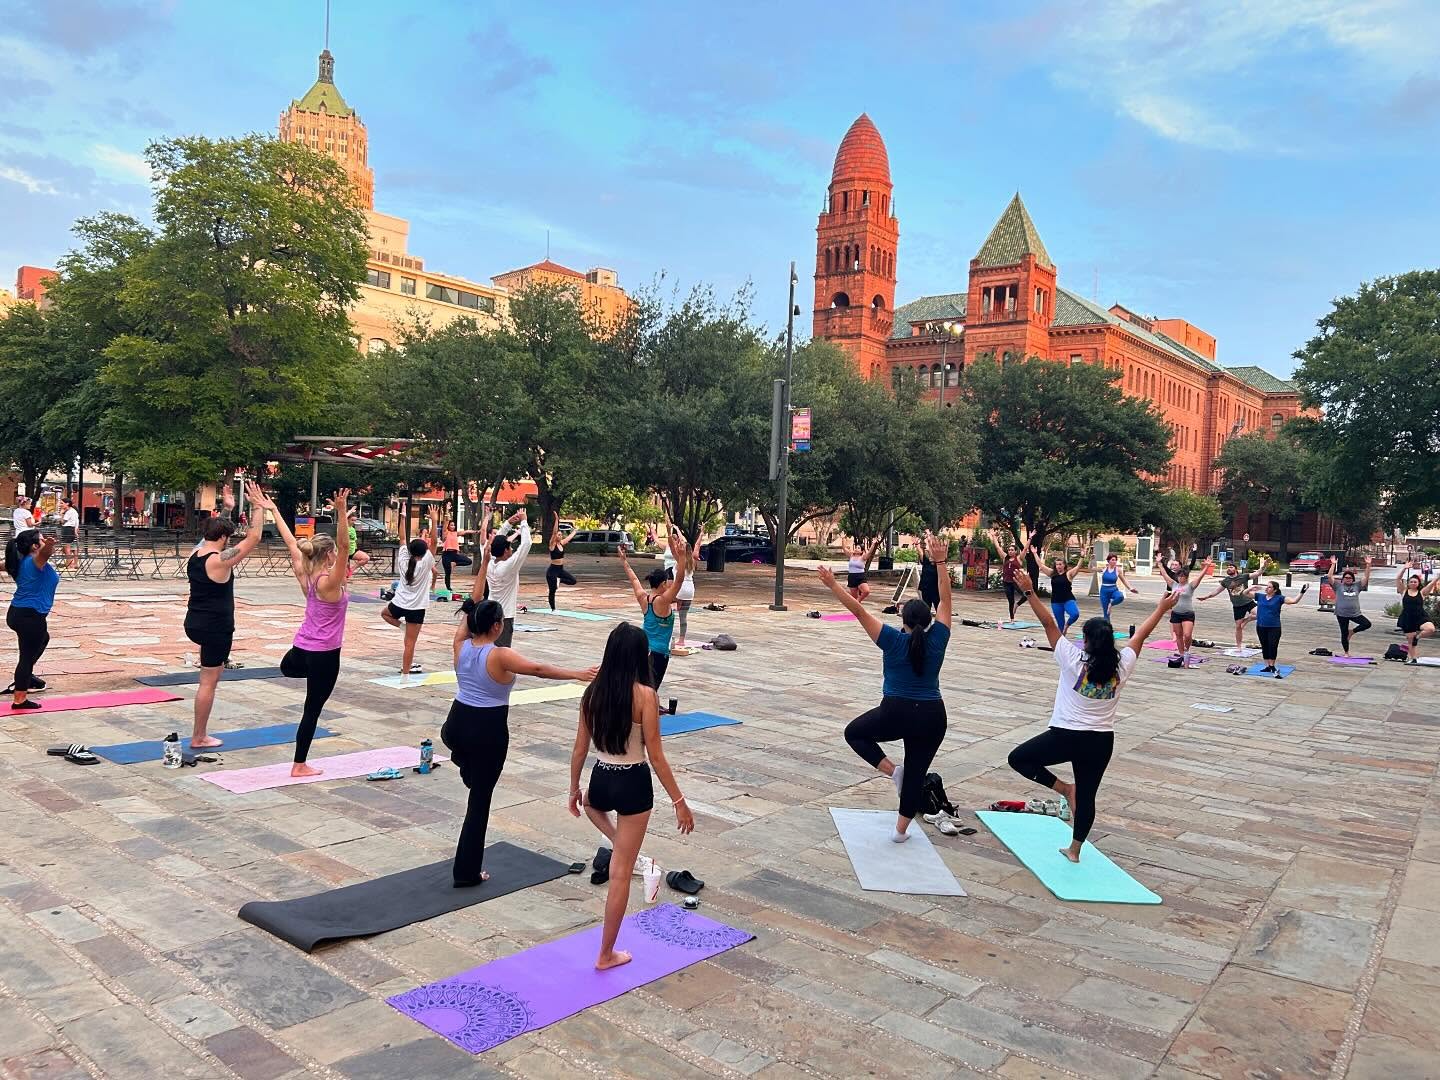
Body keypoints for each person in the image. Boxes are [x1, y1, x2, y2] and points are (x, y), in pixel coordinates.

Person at [445, 543, 595, 886]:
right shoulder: (500, 655)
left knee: (467, 764)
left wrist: (483, 562)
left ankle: (466, 766)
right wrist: (577, 673)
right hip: (487, 731)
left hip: (455, 725)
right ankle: (466, 873)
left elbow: (471, 604)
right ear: (497, 626)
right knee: (479, 802)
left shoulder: (461, 644)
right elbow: (539, 669)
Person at [1007, 566, 1177, 862]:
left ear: (1085, 641)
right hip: (1100, 741)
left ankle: (1063, 789)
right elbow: (1144, 634)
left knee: (1018, 758)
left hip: (1066, 736)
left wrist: (1029, 592)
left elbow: (1048, 622)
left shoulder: (1072, 658)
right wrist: (1161, 608)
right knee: (1087, 795)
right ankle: (1074, 850)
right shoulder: (1122, 663)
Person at [568, 621, 694, 970]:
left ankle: (619, 841)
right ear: (640, 657)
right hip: (634, 781)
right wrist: (679, 802)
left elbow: (579, 749)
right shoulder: (645, 695)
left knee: (592, 803)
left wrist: (573, 788)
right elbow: (656, 754)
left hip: (602, 776)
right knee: (620, 873)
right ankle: (606, 954)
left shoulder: (592, 693)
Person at [818, 533, 953, 842]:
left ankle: (894, 772)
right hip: (933, 716)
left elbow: (859, 610)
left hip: (896, 711)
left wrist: (832, 584)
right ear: (929, 620)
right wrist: (941, 562)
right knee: (917, 772)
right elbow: (946, 599)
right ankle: (900, 832)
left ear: (901, 618)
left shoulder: (892, 639)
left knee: (854, 733)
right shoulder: (939, 638)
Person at [271, 488, 353, 777]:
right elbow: (345, 548)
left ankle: (300, 763)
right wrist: (341, 512)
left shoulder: (305, 572)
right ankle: (299, 765)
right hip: (325, 655)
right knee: (312, 710)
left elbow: (291, 541)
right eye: (334, 553)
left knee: (288, 669)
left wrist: (272, 509)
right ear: (328, 555)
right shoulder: (329, 582)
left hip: (300, 650)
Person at [185, 481, 271, 749]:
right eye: (228, 537)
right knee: (208, 682)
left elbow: (216, 530)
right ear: (223, 538)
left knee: (209, 672)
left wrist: (228, 509)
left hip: (194, 622)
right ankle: (199, 736)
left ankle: (200, 733)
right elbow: (254, 538)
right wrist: (259, 506)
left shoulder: (196, 554)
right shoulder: (219, 560)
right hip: (215, 627)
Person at [618, 529, 687, 693]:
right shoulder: (663, 601)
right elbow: (679, 580)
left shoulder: (644, 599)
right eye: (667, 583)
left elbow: (634, 579)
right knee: (650, 690)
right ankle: (643, 713)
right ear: (663, 583)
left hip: (642, 650)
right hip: (657, 654)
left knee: (640, 686)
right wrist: (683, 556)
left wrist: (624, 561)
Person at [5, 529, 58, 708]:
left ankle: (27, 676)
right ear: (34, 546)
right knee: (26, 658)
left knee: (44, 638)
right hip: (30, 616)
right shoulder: (35, 561)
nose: (44, 541)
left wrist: (46, 544)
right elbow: (45, 553)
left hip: (18, 613)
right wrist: (49, 544)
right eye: (41, 539)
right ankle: (19, 699)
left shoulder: (18, 562)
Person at [382, 536, 437, 675]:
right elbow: (435, 542)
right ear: (425, 552)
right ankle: (405, 673)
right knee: (410, 643)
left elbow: (402, 539)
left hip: (400, 603)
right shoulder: (425, 564)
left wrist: (403, 516)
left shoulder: (403, 561)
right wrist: (434, 521)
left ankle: (402, 627)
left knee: (384, 613)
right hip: (417, 608)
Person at [485, 510, 532, 648]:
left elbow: (496, 542)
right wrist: (523, 521)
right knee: (502, 652)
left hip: (489, 613)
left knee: (489, 649)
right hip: (504, 616)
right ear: (506, 551)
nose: (511, 550)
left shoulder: (489, 563)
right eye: (510, 547)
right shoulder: (508, 567)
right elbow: (526, 544)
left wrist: (508, 523)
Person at [1199, 556, 1267, 649]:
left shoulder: (1243, 576)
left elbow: (1258, 573)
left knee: (1261, 614)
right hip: (1237, 606)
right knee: (1238, 627)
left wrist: (1264, 566)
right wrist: (1205, 597)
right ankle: (1238, 646)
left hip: (1248, 602)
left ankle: (1247, 620)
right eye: (1228, 567)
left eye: (1231, 567)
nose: (1229, 568)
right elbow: (1216, 591)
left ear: (1236, 569)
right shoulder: (1225, 581)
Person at [1158, 555, 1213, 666]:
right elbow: (1164, 574)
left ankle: (1187, 650)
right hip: (1176, 613)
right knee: (1178, 635)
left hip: (1188, 613)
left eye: (1182, 576)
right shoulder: (1173, 584)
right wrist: (1159, 563)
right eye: (1179, 576)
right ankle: (1182, 654)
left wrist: (1206, 566)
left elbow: (1200, 577)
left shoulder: (1190, 586)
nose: (1180, 578)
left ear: (1186, 577)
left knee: (1187, 635)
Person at [1248, 579, 1309, 674]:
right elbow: (1244, 593)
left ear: (1275, 590)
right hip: (1261, 626)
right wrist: (1251, 588)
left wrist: (1302, 592)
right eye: (1267, 586)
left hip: (1274, 627)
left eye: (1269, 587)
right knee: (1264, 646)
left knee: (1272, 645)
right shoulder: (1260, 596)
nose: (1267, 588)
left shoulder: (1279, 598)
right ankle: (1267, 665)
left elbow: (1294, 601)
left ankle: (1272, 665)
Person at [1035, 544, 1086, 635]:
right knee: (1060, 625)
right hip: (1056, 602)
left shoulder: (1069, 574)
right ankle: (1061, 643)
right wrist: (1035, 553)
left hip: (1068, 599)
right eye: (1057, 564)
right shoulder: (1052, 574)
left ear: (1064, 565)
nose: (1058, 566)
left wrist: (1082, 556)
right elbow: (1041, 566)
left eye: (1060, 564)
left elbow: (1078, 567)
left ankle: (1067, 625)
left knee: (1075, 614)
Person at [1396, 561, 1440, 664]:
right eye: (1411, 581)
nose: (1413, 583)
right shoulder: (1404, 591)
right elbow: (1398, 579)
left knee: (1431, 629)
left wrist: (1438, 577)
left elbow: (1432, 584)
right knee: (1410, 641)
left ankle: (1418, 637)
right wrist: (1404, 568)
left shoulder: (1421, 592)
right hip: (1407, 617)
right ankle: (1413, 658)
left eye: (1415, 582)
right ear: (1408, 583)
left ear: (1418, 583)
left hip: (1420, 616)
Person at [1333, 558, 1374, 657]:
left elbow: (1366, 577)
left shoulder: (1357, 586)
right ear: (1343, 579)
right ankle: (1346, 652)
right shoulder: (1338, 586)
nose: (1348, 579)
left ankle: (1352, 631)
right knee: (1344, 633)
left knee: (1367, 624)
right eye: (1346, 577)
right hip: (1341, 614)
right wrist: (1333, 564)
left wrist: (1368, 565)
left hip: (1355, 613)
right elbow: (1330, 577)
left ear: (1353, 579)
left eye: (1350, 578)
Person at [545, 521, 577, 611]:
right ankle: (553, 609)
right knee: (552, 590)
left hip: (560, 570)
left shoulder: (561, 543)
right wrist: (556, 519)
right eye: (558, 535)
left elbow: (569, 537)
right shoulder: (552, 545)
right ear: (555, 536)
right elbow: (554, 532)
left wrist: (575, 531)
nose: (560, 536)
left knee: (573, 581)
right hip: (552, 571)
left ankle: (560, 580)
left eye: (561, 535)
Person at [1097, 553, 1138, 621]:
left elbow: (1124, 580)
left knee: (1120, 596)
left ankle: (1110, 604)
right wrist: (1091, 560)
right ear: (1108, 561)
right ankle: (1107, 629)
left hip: (1113, 590)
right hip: (1104, 591)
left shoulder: (1118, 570)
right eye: (1113, 560)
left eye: (1115, 560)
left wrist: (1130, 588)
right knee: (1106, 614)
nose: (1114, 561)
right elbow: (1091, 568)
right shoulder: (1104, 569)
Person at [439, 520, 472, 593]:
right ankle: (448, 588)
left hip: (454, 554)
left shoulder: (455, 533)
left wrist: (476, 531)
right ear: (448, 526)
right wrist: (447, 515)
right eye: (451, 525)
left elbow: (466, 532)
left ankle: (454, 564)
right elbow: (444, 526)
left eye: (454, 525)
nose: (453, 526)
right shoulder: (446, 533)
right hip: (446, 554)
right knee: (448, 573)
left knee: (469, 561)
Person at [917, 537, 941, 615]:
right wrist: (917, 545)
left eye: (932, 556)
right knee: (926, 609)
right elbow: (921, 553)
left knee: (939, 609)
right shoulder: (926, 562)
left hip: (936, 591)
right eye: (929, 556)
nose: (930, 557)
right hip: (925, 589)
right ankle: (926, 623)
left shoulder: (939, 565)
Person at [345, 509, 371, 577]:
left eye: (355, 520)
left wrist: (356, 548)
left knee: (366, 558)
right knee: (346, 575)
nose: (353, 522)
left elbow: (354, 540)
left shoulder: (353, 529)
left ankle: (352, 569)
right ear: (347, 520)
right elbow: (343, 518)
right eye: (352, 520)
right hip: (344, 552)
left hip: (352, 550)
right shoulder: (344, 527)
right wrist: (350, 511)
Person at [60, 497, 80, 572]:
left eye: (62, 503)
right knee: (72, 548)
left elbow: (62, 521)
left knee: (67, 548)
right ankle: (73, 564)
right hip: (72, 529)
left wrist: (61, 513)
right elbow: (76, 522)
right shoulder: (73, 511)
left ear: (67, 504)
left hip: (67, 529)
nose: (60, 505)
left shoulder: (69, 512)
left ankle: (69, 565)